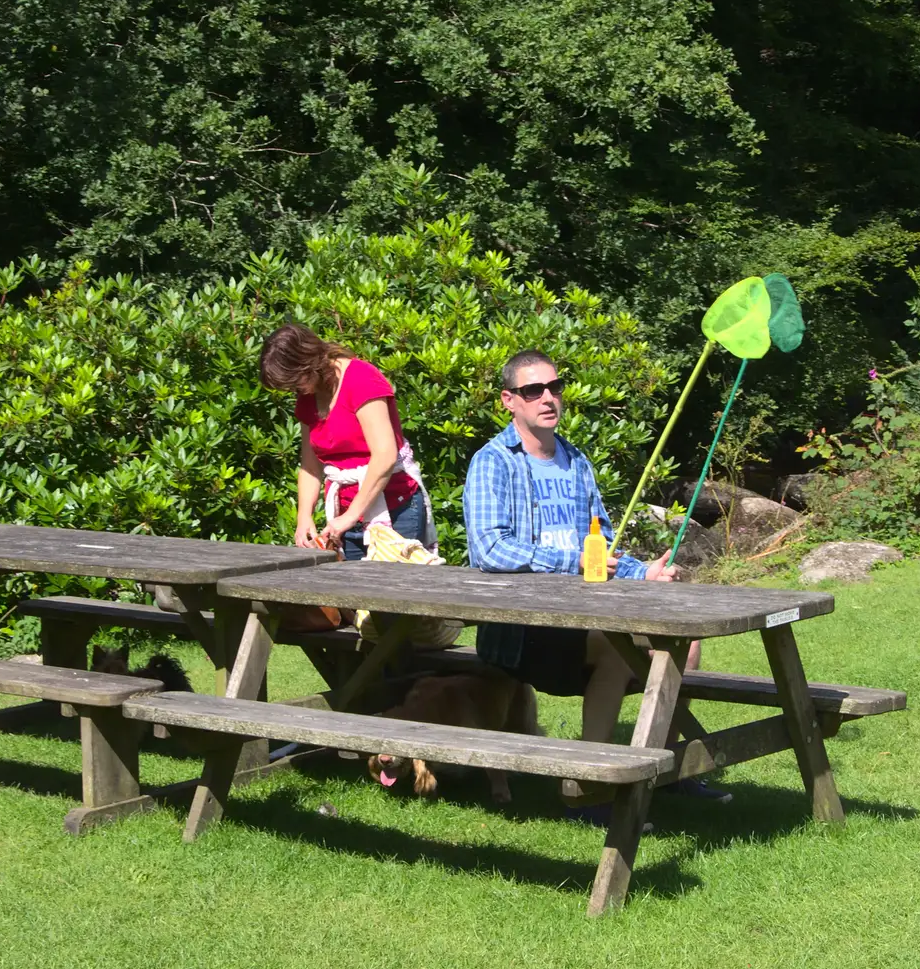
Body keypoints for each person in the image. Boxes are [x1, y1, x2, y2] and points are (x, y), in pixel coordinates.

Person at [464, 349, 728, 809]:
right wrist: (571, 561)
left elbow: (603, 549)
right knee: (617, 650)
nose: (548, 398)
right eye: (533, 390)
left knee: (686, 640)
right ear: (509, 400)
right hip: (522, 628)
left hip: (587, 619)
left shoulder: (576, 461)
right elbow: (489, 549)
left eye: (554, 387)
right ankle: (585, 788)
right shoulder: (494, 462)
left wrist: (644, 572)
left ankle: (659, 769)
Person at [259, 323, 434, 559]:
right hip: (346, 517)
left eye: (294, 382)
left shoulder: (361, 378)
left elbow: (385, 455)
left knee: (394, 592)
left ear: (308, 362)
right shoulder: (307, 396)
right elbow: (311, 467)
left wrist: (350, 516)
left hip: (396, 509)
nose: (294, 390)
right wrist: (304, 517)